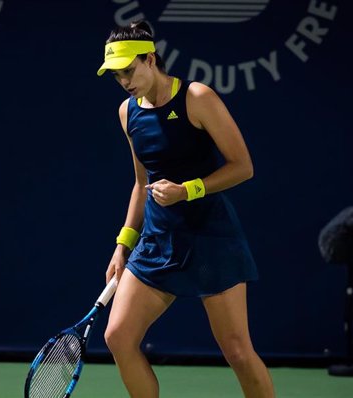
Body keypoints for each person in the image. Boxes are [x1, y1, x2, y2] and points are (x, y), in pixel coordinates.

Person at [97, 21, 276, 398]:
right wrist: (123, 244)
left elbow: (243, 166)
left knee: (238, 352)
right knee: (117, 336)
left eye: (129, 70)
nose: (125, 81)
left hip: (210, 237)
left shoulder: (197, 96)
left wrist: (188, 190)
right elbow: (141, 184)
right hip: (158, 241)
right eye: (117, 76)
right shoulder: (127, 113)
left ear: (150, 59)